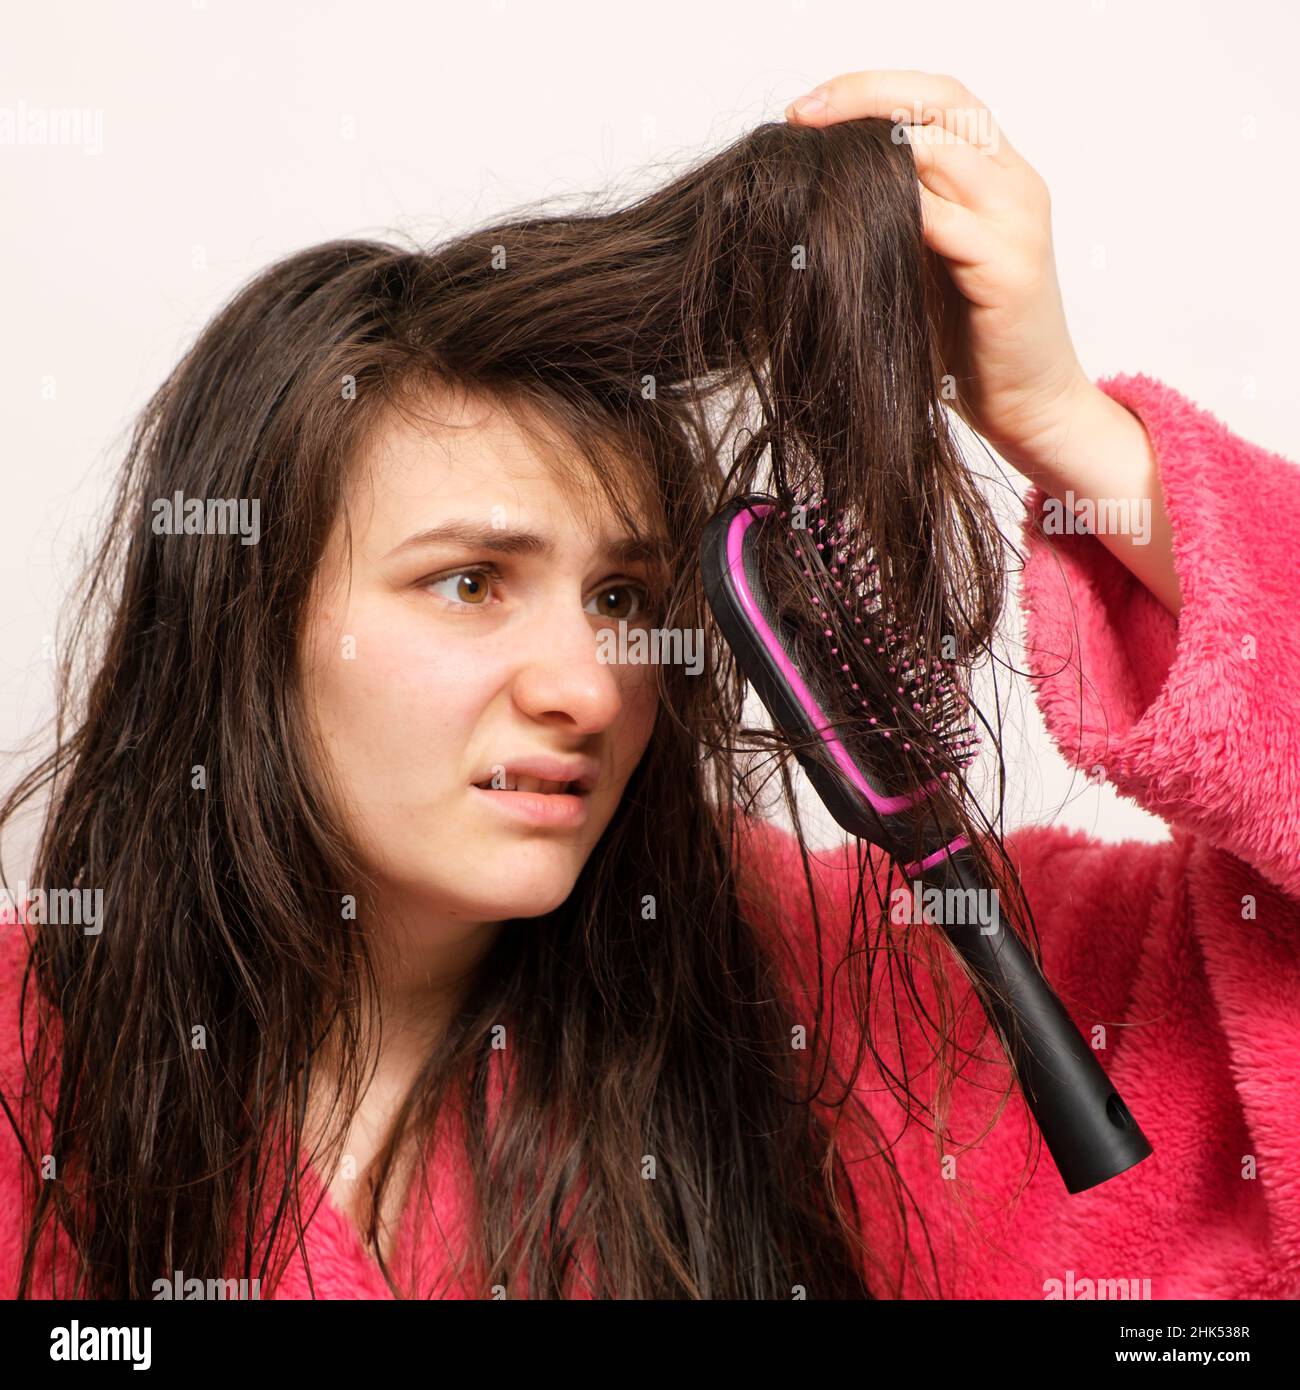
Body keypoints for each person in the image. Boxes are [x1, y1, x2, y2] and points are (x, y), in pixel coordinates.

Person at [1, 69, 1296, 1300]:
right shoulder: (28, 1064)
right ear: (247, 619)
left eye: (622, 600)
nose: (590, 687)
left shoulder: (853, 993)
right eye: (469, 582)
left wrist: (1070, 428)